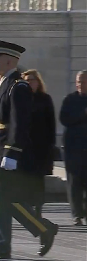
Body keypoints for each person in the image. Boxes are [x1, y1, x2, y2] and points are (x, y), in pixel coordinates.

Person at [0, 40, 58, 259]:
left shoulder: (18, 87)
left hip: (8, 151)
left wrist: (12, 152)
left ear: (9, 60)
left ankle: (40, 229)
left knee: (4, 199)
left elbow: (20, 123)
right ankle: (3, 243)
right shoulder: (1, 84)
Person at [21, 70, 56, 219]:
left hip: (41, 146)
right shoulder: (20, 99)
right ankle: (28, 209)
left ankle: (39, 208)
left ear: (38, 81)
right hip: (24, 146)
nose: (30, 83)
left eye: (32, 80)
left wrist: (51, 146)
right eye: (27, 80)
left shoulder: (45, 99)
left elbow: (51, 124)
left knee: (38, 180)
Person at [60, 70, 87, 226]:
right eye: (78, 81)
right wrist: (83, 114)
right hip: (73, 149)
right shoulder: (69, 100)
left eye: (83, 81)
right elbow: (64, 119)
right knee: (74, 182)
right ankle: (77, 214)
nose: (80, 84)